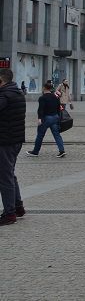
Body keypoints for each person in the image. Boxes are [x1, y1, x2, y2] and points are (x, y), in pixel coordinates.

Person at [0, 68, 26, 225]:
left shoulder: (5, 95)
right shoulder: (16, 93)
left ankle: (9, 214)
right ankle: (17, 206)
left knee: (5, 177)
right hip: (15, 140)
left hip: (5, 141)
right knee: (9, 173)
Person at [25, 82, 64, 158]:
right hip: (55, 117)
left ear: (44, 88)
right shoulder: (55, 97)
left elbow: (41, 109)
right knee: (57, 135)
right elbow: (58, 108)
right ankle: (62, 150)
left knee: (40, 135)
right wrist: (58, 118)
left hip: (47, 118)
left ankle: (35, 152)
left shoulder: (42, 98)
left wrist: (39, 118)